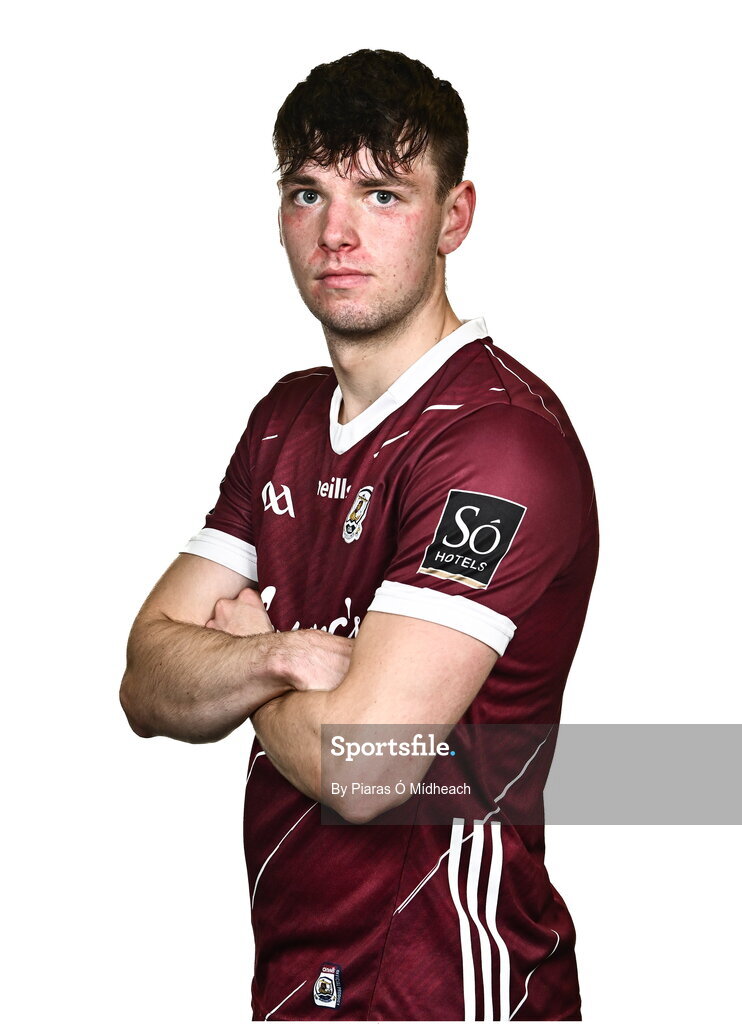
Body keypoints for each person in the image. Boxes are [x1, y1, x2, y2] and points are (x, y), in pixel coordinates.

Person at [120, 48, 598, 1022]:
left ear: (452, 217)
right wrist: (286, 655)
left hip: (453, 986)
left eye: (382, 194)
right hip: (295, 979)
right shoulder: (285, 418)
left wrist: (238, 665)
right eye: (308, 192)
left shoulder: (496, 444)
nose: (336, 232)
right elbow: (144, 681)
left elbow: (364, 769)